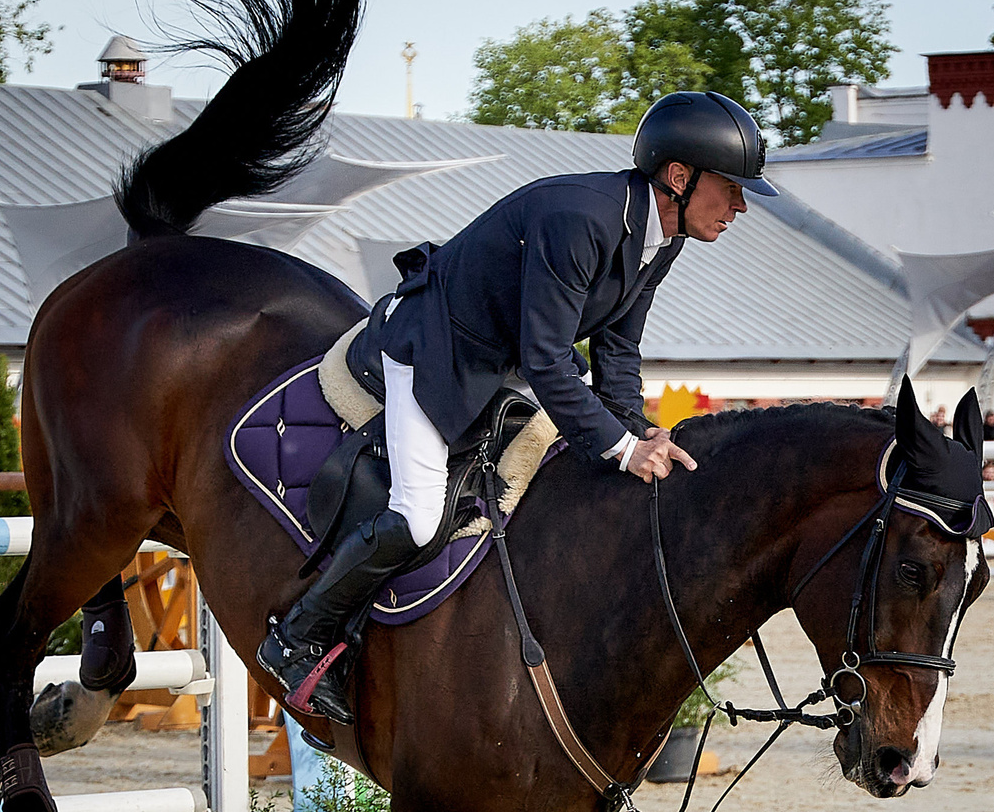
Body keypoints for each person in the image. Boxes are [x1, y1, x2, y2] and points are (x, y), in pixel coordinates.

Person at [259, 90, 771, 720]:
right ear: (679, 177)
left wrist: (643, 431)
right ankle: (299, 634)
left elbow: (617, 348)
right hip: (433, 350)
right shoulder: (580, 219)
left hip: (495, 359)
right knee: (419, 516)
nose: (742, 204)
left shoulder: (664, 235)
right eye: (733, 187)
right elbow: (547, 359)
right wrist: (620, 449)